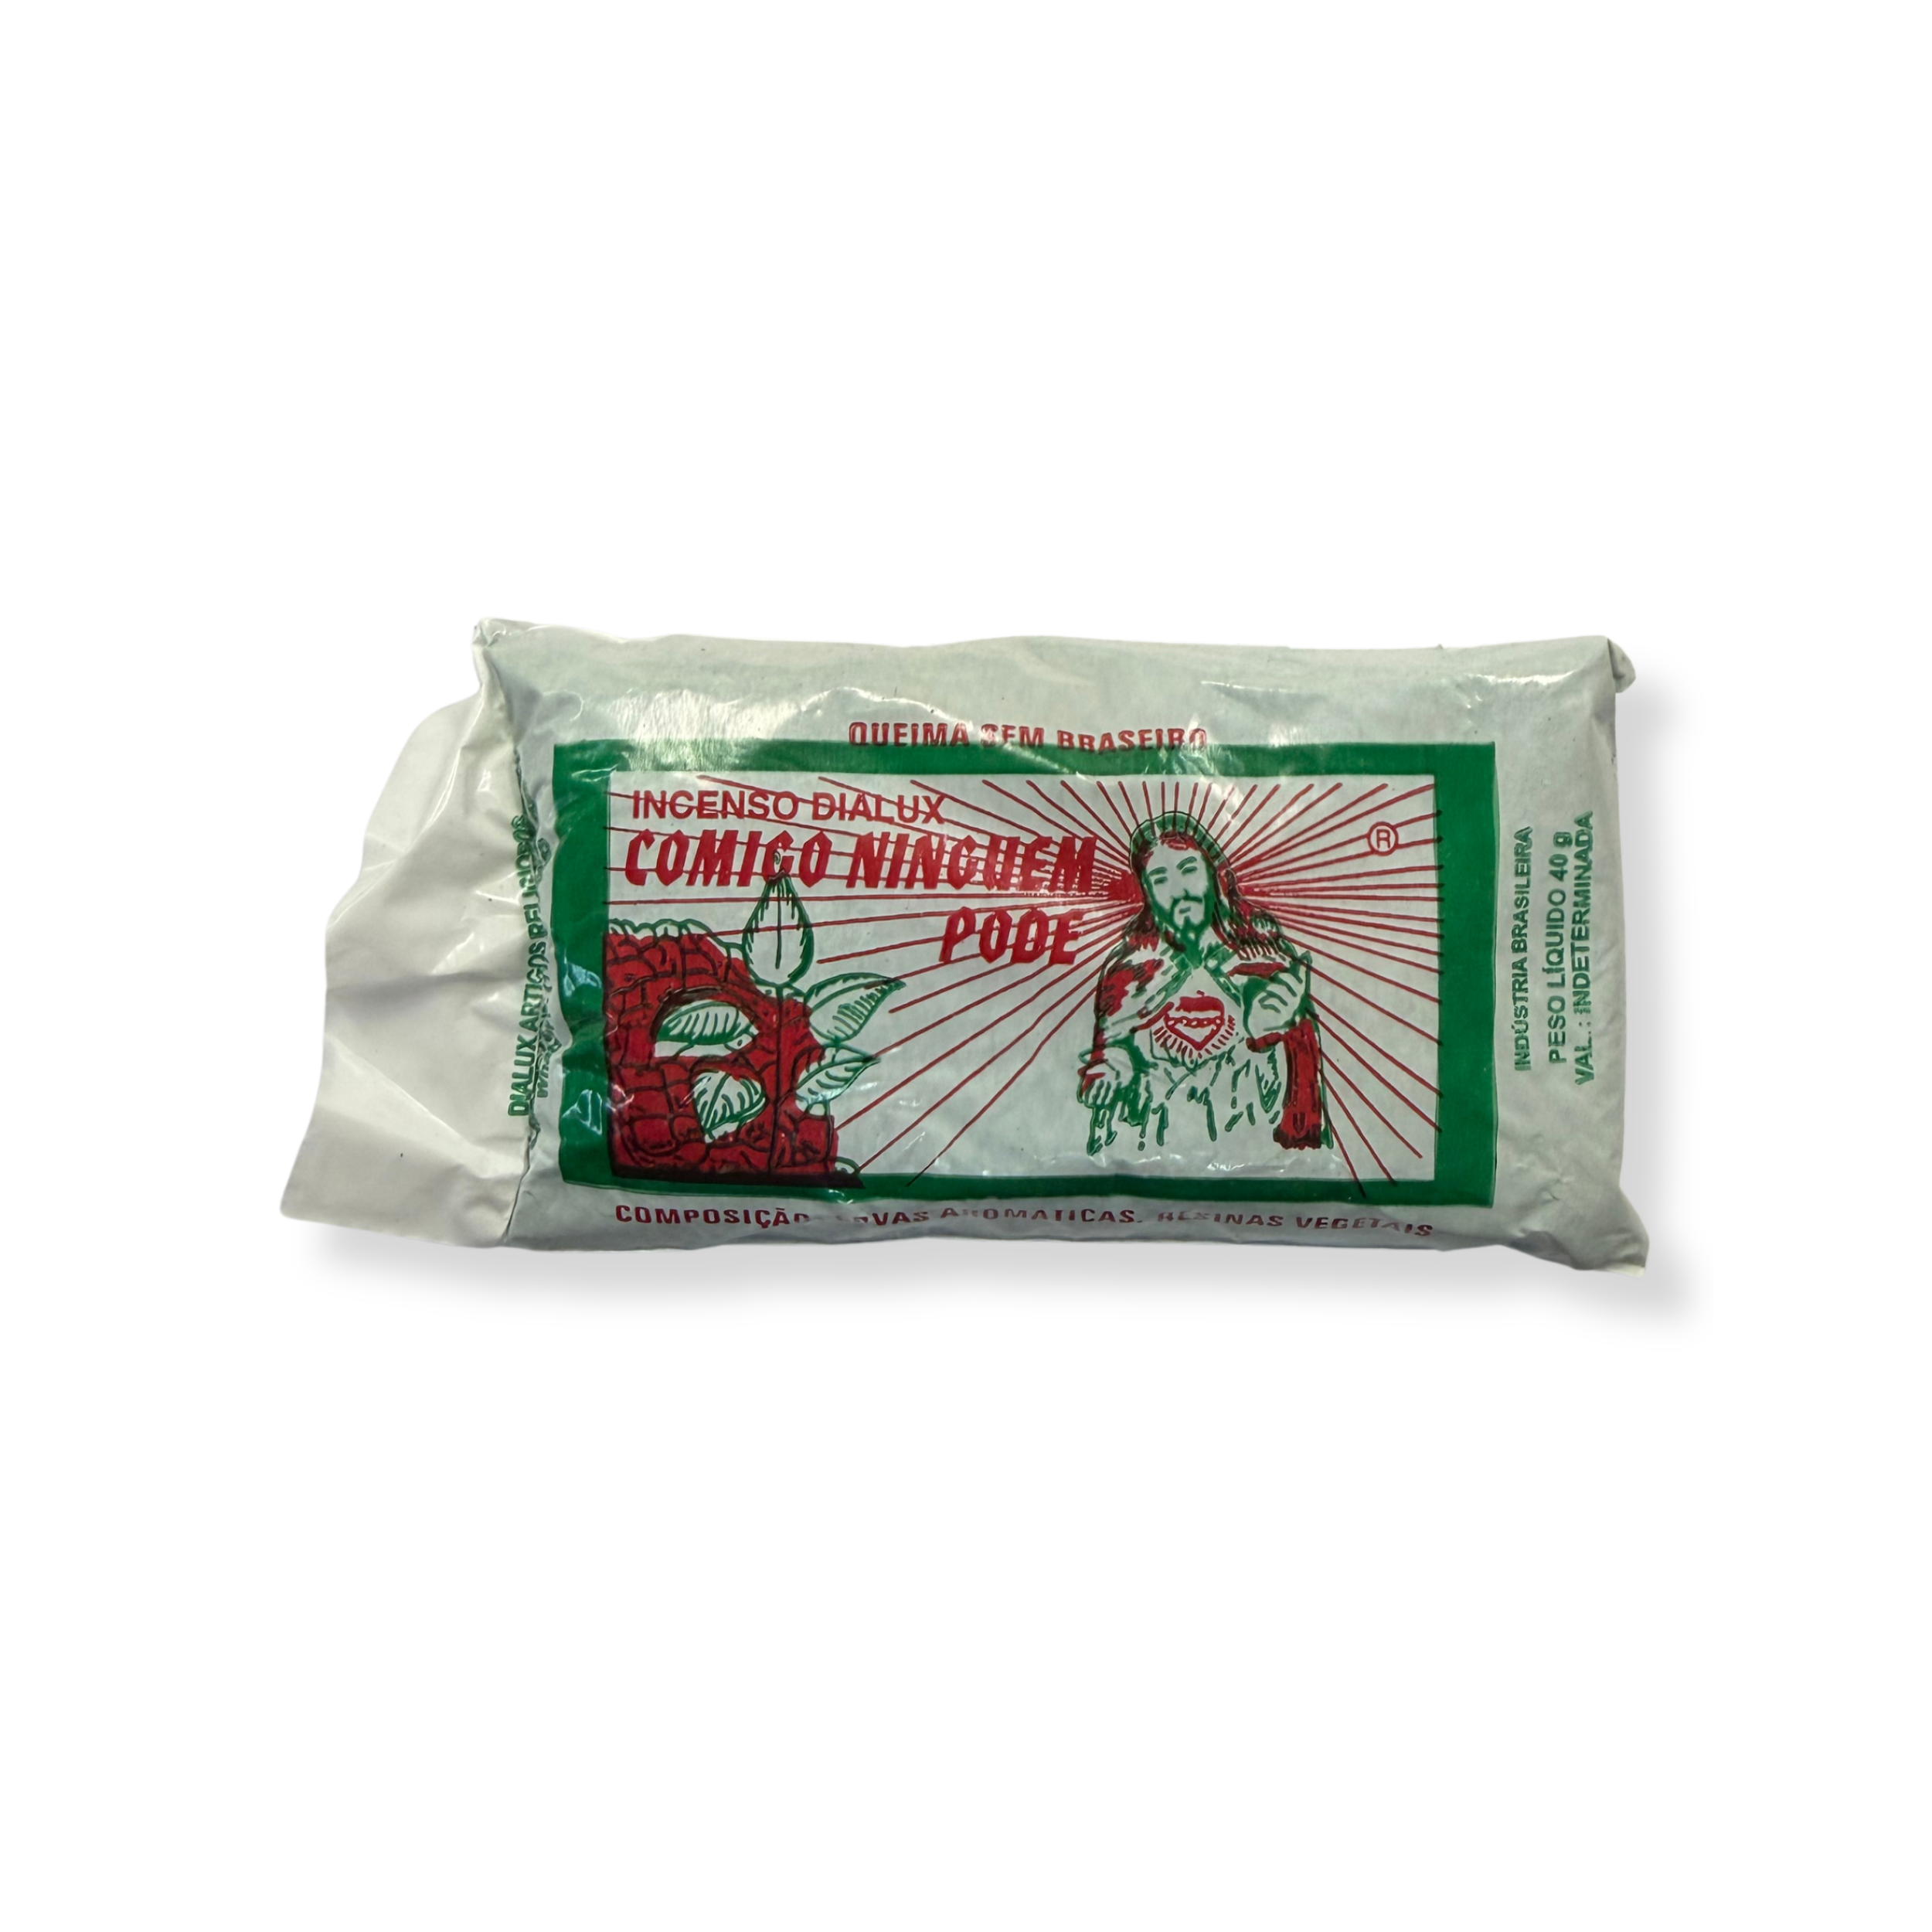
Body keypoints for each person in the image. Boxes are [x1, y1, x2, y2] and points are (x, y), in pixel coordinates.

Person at [1080, 813, 1326, 1155]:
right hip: (1152, 1146)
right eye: (1160, 879)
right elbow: (1113, 1046)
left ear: (1215, 876)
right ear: (1147, 892)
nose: (1179, 891)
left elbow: (1301, 1065)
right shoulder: (1129, 970)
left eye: (1189, 870)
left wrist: (1269, 1032)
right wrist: (1110, 1071)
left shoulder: (1264, 959)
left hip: (1252, 1139)